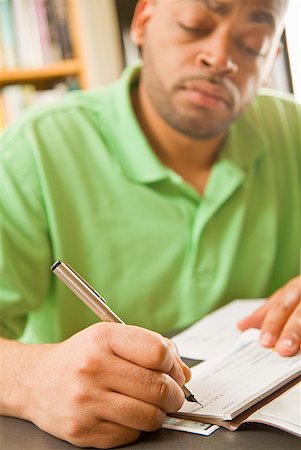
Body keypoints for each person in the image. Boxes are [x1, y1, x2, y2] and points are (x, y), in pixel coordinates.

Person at [0, 0, 300, 448]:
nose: (221, 58)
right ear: (143, 21)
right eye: (195, 25)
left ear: (273, 58)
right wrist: (27, 380)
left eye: (253, 44)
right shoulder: (38, 148)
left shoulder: (292, 131)